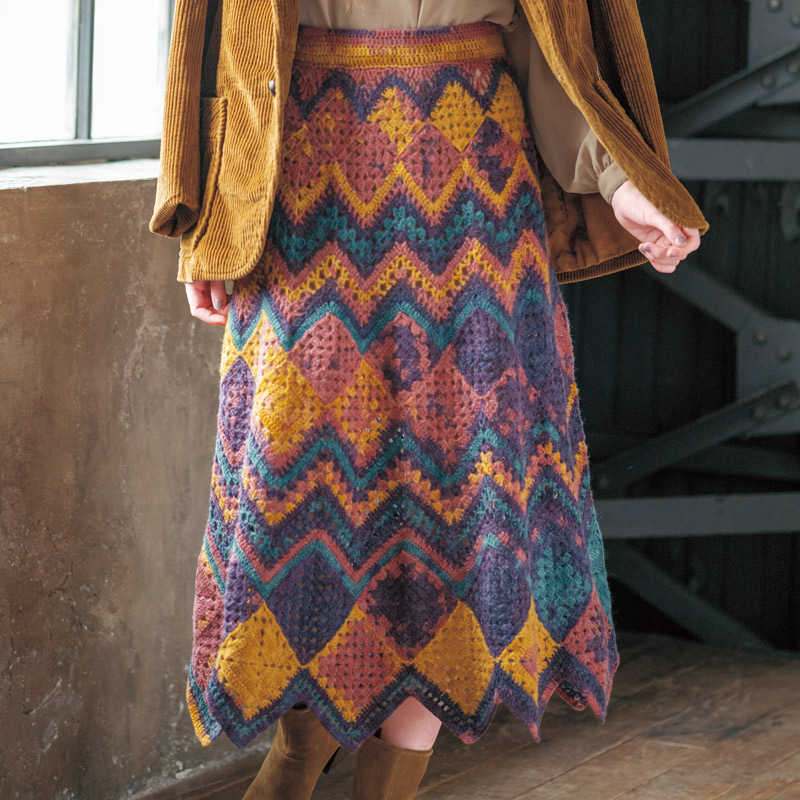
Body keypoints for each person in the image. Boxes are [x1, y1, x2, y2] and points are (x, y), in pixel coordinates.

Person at [151, 1, 707, 798]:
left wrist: (621, 179)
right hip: (298, 174)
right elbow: (213, 31)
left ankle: (390, 784)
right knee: (295, 495)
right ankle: (295, 759)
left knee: (456, 497)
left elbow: (557, 38)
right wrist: (203, 211)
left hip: (472, 175)